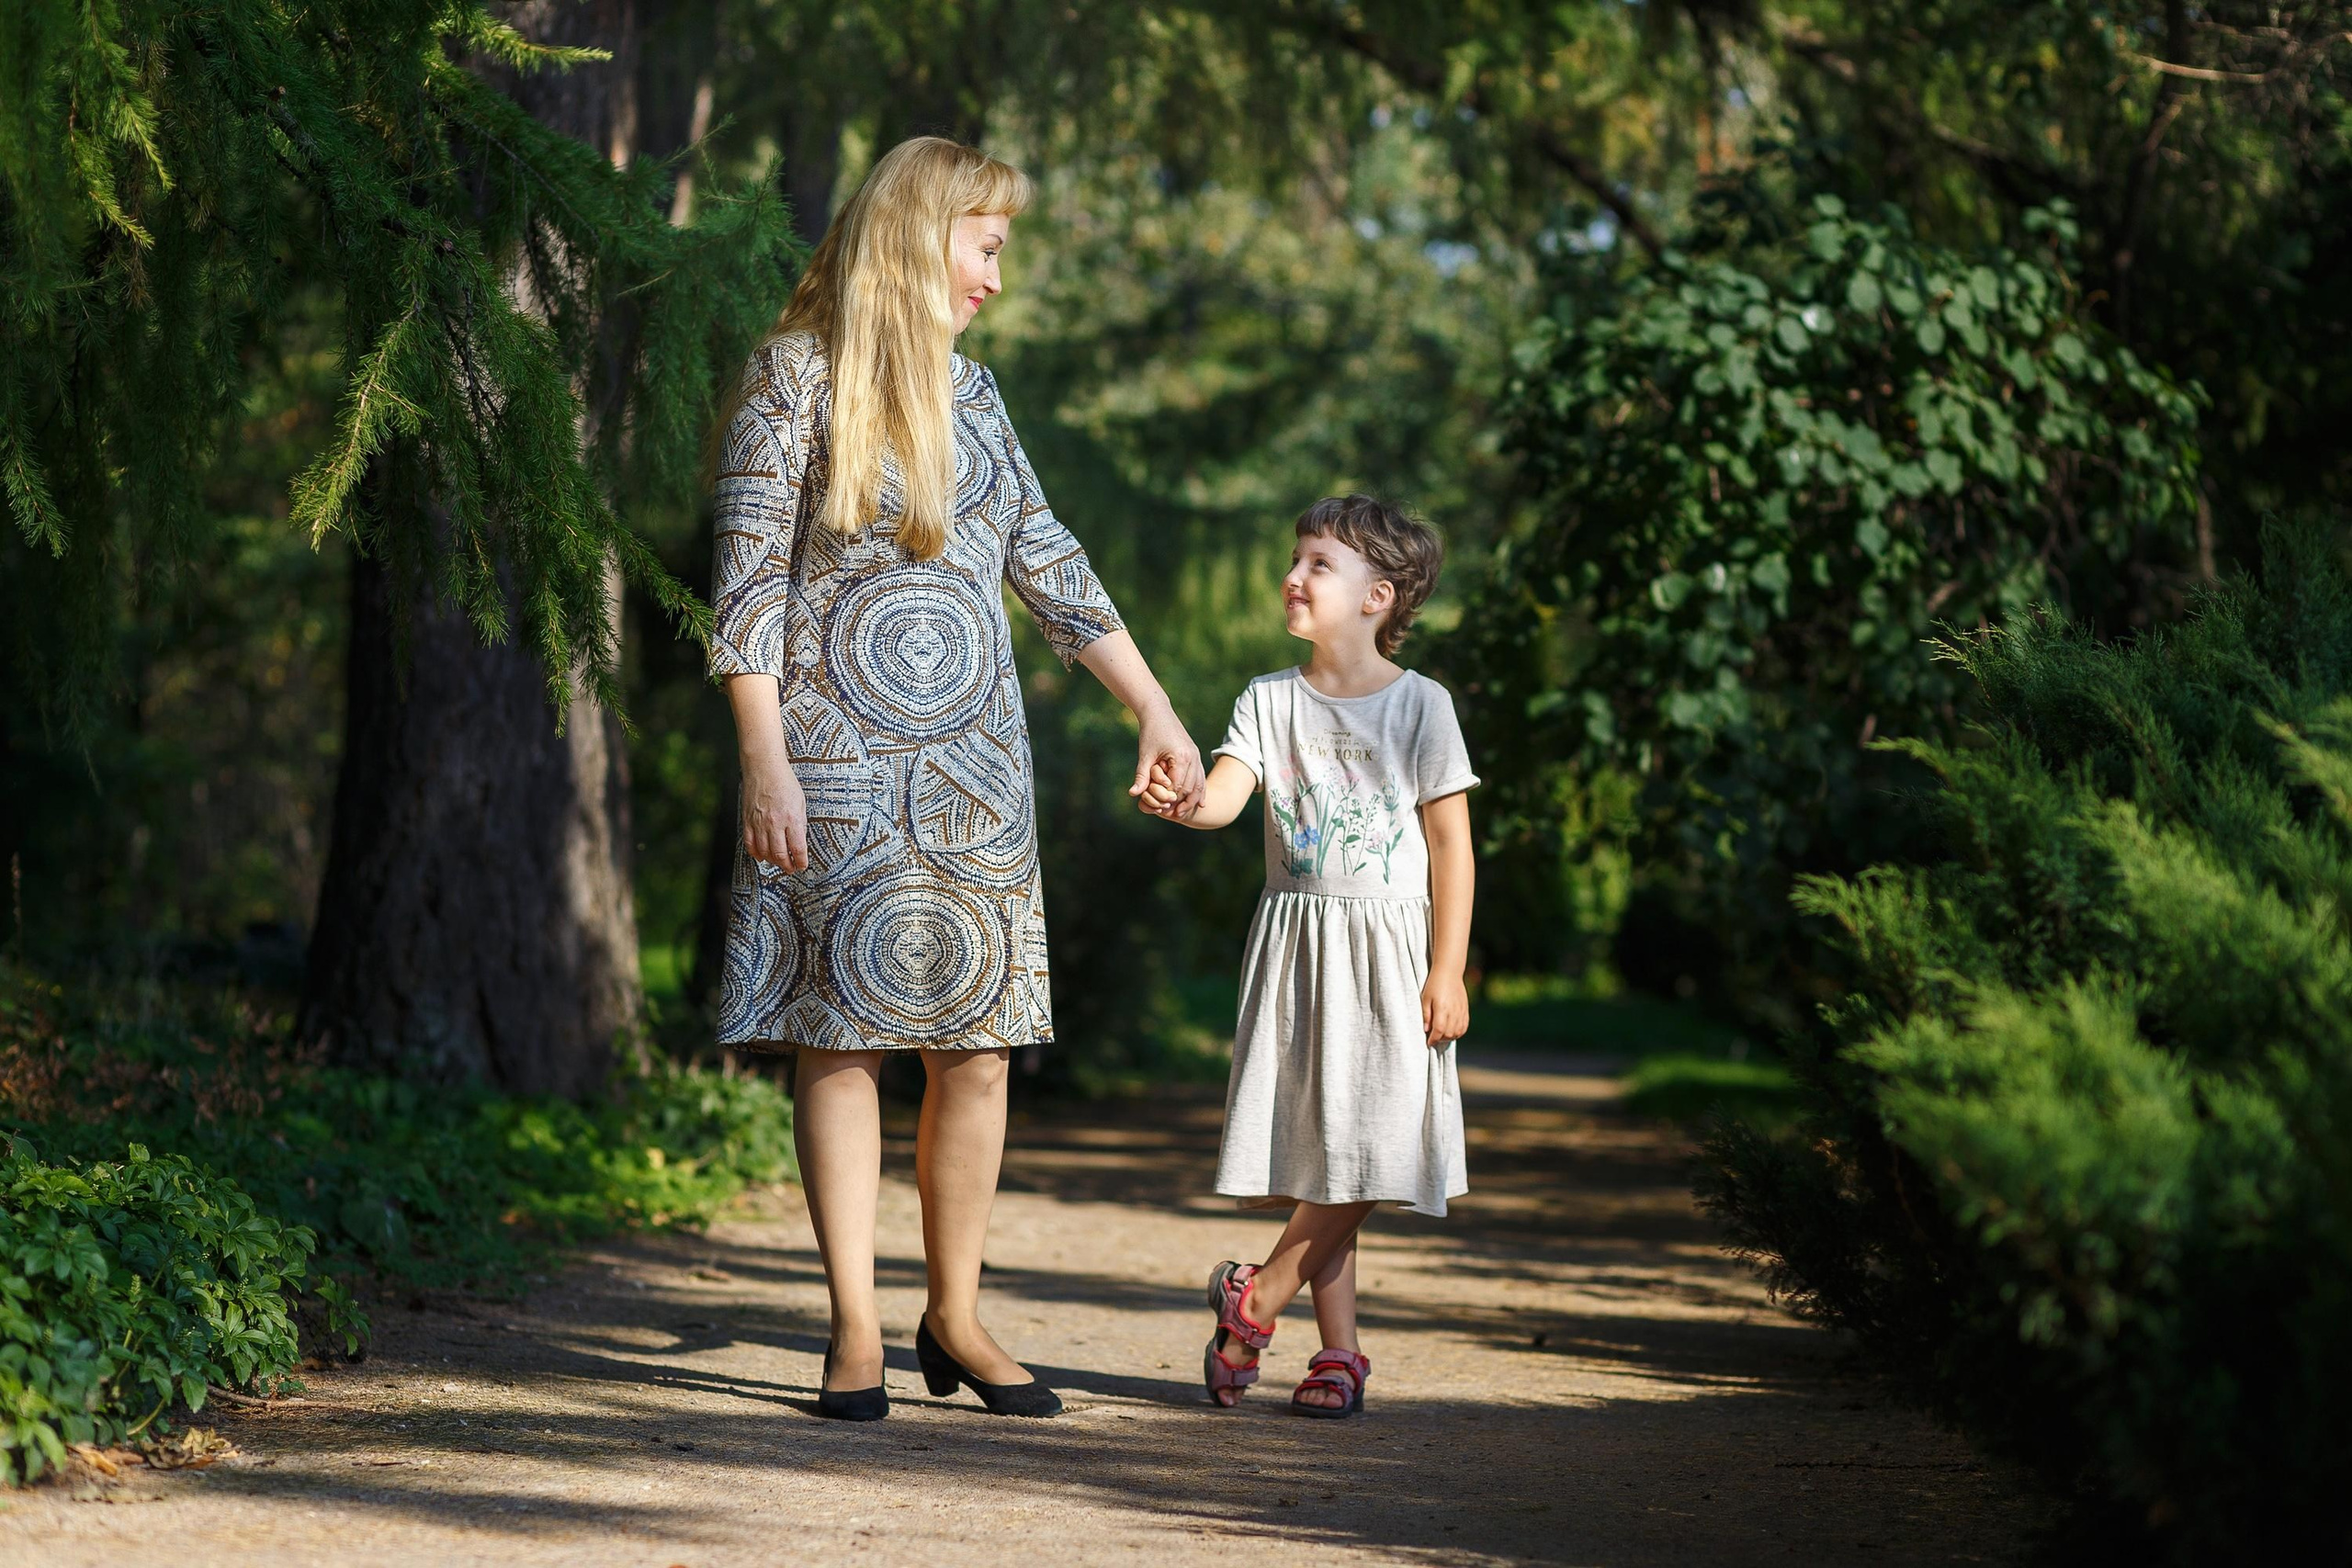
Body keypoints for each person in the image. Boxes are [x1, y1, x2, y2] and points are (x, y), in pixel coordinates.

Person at [708, 135, 1204, 1422]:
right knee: (844, 1036)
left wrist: (1153, 704)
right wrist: (762, 754)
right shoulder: (791, 375)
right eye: (987, 243)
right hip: (836, 762)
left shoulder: (974, 394)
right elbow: (750, 582)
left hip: (977, 771)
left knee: (977, 1047)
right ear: (923, 231)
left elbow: (1049, 560)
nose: (996, 274)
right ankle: (857, 1325)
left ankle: (957, 1312)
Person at [1143, 494, 1477, 1418]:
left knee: (1378, 1143)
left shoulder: (1422, 706)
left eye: (1318, 564)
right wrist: (1181, 797)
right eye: (1295, 559)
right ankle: (1339, 1354)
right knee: (1335, 1150)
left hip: (1393, 950)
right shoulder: (1267, 700)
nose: (1293, 577)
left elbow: (1450, 845)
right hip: (1300, 945)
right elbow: (1223, 801)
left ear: (1379, 595)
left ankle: (1255, 1301)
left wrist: (1446, 968)